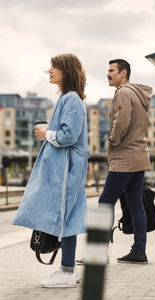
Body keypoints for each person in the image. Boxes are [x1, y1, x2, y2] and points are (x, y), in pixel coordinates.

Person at [13, 53, 90, 287]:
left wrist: (46, 133)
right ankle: (67, 270)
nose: (49, 71)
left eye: (54, 67)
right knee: (66, 218)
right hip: (64, 170)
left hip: (65, 171)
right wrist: (49, 129)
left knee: (65, 217)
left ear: (66, 71)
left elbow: (69, 135)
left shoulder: (72, 100)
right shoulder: (68, 98)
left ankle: (67, 273)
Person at [99, 59, 152, 264]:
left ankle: (98, 253)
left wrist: (112, 140)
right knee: (135, 204)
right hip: (139, 156)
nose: (108, 73)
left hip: (125, 158)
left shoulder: (123, 92)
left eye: (111, 70)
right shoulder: (138, 94)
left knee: (105, 203)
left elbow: (121, 122)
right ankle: (139, 251)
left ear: (123, 73)